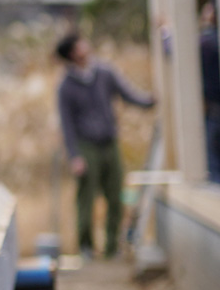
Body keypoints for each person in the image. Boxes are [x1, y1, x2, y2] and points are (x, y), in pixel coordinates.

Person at [55, 33, 155, 258]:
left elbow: (128, 94)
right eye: (80, 43)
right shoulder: (66, 86)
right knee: (86, 198)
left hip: (109, 142)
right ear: (73, 53)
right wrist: (74, 156)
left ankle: (112, 247)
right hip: (85, 145)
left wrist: (150, 101)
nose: (85, 45)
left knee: (115, 195)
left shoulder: (104, 72)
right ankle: (86, 247)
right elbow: (67, 124)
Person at [199, 0, 220, 185]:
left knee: (215, 162)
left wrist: (166, 33)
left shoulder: (208, 41)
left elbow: (177, 50)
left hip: (215, 109)